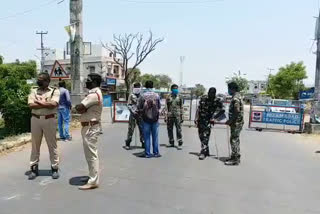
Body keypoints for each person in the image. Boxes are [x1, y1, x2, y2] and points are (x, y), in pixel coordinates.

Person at [27, 72, 60, 180]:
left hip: (49, 119)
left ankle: (54, 168)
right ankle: (33, 168)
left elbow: (53, 105)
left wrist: (38, 102)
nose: (39, 81)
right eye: (38, 79)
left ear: (47, 81)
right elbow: (31, 105)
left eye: (41, 79)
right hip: (35, 119)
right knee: (35, 145)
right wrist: (46, 103)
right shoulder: (33, 90)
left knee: (52, 145)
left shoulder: (55, 91)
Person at [75, 73, 103, 190]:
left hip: (91, 128)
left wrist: (80, 107)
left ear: (95, 82)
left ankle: (93, 181)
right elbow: (82, 108)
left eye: (89, 80)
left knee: (91, 155)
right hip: (89, 126)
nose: (86, 81)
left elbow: (80, 107)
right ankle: (91, 176)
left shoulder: (93, 95)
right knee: (89, 155)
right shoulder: (94, 93)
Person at [195, 87, 225, 160]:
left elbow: (223, 110)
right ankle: (206, 150)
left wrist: (214, 118)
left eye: (212, 94)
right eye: (209, 93)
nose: (210, 95)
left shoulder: (217, 100)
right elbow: (198, 109)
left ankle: (203, 152)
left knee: (205, 136)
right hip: (200, 120)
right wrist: (196, 118)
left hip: (209, 121)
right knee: (201, 136)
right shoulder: (203, 98)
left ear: (214, 94)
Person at [137, 80, 161, 158]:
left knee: (147, 137)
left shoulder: (142, 95)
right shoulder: (156, 95)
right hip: (155, 119)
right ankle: (156, 153)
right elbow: (159, 107)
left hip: (145, 119)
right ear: (152, 86)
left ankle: (147, 153)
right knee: (155, 136)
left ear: (145, 86)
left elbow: (139, 107)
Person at [225, 82, 244, 166]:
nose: (228, 90)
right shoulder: (238, 96)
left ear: (232, 89)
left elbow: (237, 111)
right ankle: (235, 156)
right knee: (236, 139)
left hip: (236, 122)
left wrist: (230, 121)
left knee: (233, 140)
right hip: (238, 122)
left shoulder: (235, 98)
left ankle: (235, 159)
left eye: (229, 89)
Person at [124, 82, 145, 150]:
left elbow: (144, 105)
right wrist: (133, 111)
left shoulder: (142, 96)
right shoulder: (131, 95)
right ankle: (128, 143)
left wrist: (142, 110)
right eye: (136, 87)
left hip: (140, 115)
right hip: (133, 115)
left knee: (142, 129)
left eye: (138, 87)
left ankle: (143, 142)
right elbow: (128, 105)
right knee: (131, 129)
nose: (137, 88)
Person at [165, 84, 184, 150]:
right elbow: (166, 107)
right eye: (174, 88)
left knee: (178, 129)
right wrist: (165, 116)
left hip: (177, 116)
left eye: (176, 88)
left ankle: (179, 142)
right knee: (169, 129)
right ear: (171, 89)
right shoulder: (168, 96)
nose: (175, 90)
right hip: (170, 115)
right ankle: (171, 142)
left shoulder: (180, 96)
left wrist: (182, 116)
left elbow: (182, 107)